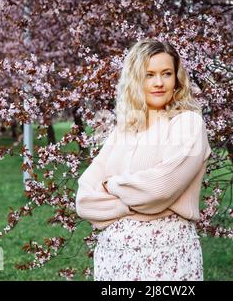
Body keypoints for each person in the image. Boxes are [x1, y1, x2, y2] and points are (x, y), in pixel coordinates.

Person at [75, 38, 212, 281]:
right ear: (136, 79)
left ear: (177, 79)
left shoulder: (187, 124)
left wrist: (111, 186)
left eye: (166, 73)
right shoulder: (124, 129)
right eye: (149, 75)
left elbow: (160, 189)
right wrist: (134, 203)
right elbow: (84, 200)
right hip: (113, 262)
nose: (159, 83)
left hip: (166, 258)